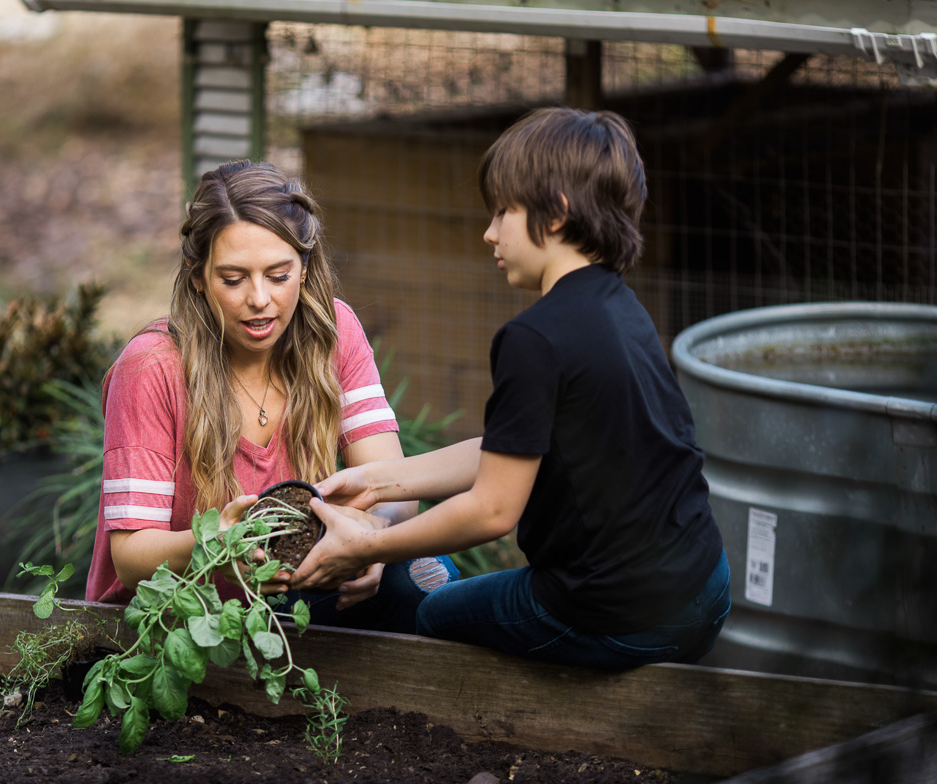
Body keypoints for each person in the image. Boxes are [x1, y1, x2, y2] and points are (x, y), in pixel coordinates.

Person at [292, 108, 730, 669]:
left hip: (620, 614)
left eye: (503, 211)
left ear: (556, 214)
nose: (490, 232)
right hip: (704, 587)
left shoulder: (534, 338)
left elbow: (492, 510)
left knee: (432, 611)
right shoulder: (620, 308)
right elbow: (509, 451)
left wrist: (367, 545)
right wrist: (376, 482)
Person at [85, 160, 457, 633]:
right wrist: (216, 546)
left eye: (278, 275)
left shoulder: (334, 333)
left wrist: (373, 537)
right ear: (197, 276)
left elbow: (392, 487)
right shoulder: (153, 366)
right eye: (233, 279)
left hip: (288, 598)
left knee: (427, 573)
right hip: (177, 621)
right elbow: (133, 559)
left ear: (304, 268)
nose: (259, 299)